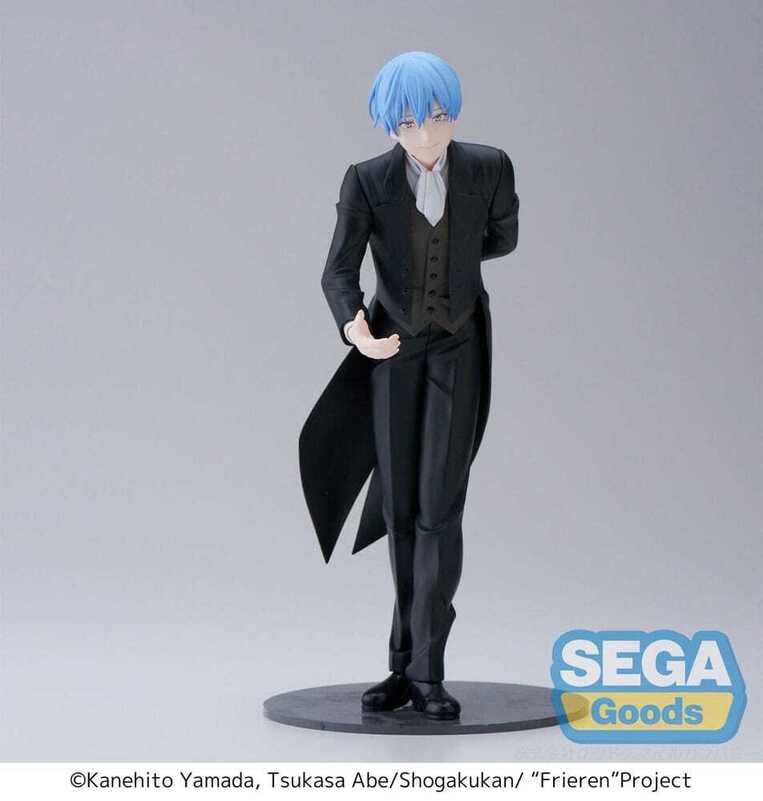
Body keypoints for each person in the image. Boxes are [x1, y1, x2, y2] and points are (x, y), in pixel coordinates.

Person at [299, 51, 519, 720]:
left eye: (439, 117)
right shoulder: (367, 181)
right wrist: (355, 329)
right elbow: (337, 271)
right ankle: (402, 665)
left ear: (454, 113)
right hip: (391, 351)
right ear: (390, 125)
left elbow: (502, 238)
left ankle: (428, 670)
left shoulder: (489, 167)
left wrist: (449, 267)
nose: (426, 135)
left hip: (458, 345)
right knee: (397, 510)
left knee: (438, 509)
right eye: (409, 123)